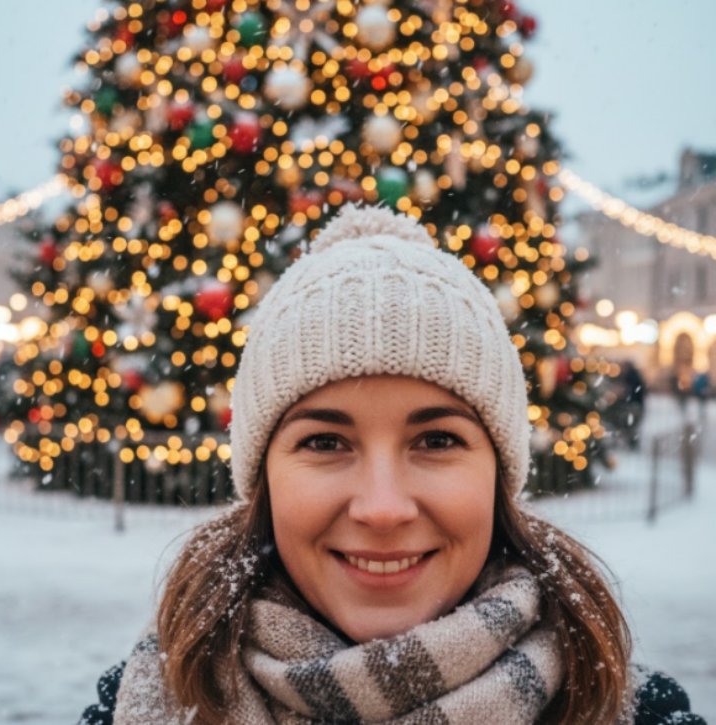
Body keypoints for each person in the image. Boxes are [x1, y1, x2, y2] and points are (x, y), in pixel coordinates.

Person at [80, 206, 704, 724]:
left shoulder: (635, 711)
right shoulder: (145, 703)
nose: (382, 509)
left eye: (436, 441)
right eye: (325, 443)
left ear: (499, 474)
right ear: (263, 475)